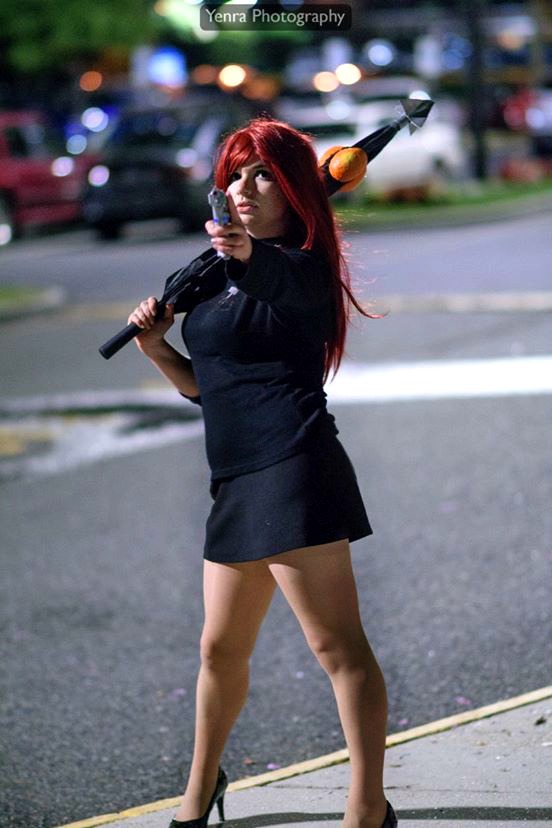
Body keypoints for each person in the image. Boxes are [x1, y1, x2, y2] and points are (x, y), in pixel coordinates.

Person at [127, 117, 397, 828]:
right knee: (218, 650)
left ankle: (367, 809)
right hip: (236, 478)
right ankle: (199, 795)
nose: (244, 189)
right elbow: (211, 389)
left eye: (264, 175)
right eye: (235, 176)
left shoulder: (303, 270)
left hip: (296, 466)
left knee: (336, 646)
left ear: (295, 189)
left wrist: (245, 252)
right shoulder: (211, 280)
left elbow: (275, 277)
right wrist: (157, 349)